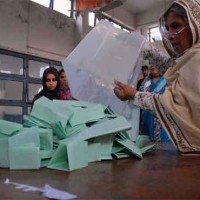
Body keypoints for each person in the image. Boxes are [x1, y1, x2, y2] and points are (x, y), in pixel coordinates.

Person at [114, 0, 200, 155]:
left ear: (194, 25)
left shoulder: (197, 60)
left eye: (176, 26)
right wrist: (145, 47)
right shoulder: (188, 60)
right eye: (167, 28)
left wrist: (133, 95)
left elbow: (174, 105)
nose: (170, 35)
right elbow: (172, 68)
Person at [140, 65, 170, 143]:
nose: (153, 66)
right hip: (148, 117)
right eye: (151, 63)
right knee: (147, 144)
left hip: (162, 116)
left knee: (163, 148)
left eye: (156, 63)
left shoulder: (167, 80)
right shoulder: (146, 81)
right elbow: (140, 96)